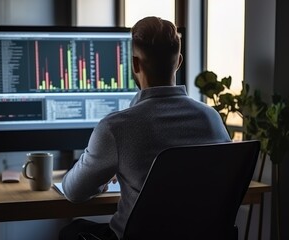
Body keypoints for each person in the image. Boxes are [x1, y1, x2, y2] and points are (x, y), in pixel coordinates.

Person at [59, 16, 231, 240]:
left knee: (72, 231)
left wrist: (103, 176)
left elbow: (74, 192)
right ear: (178, 61)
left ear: (135, 64)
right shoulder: (212, 118)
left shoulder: (115, 128)